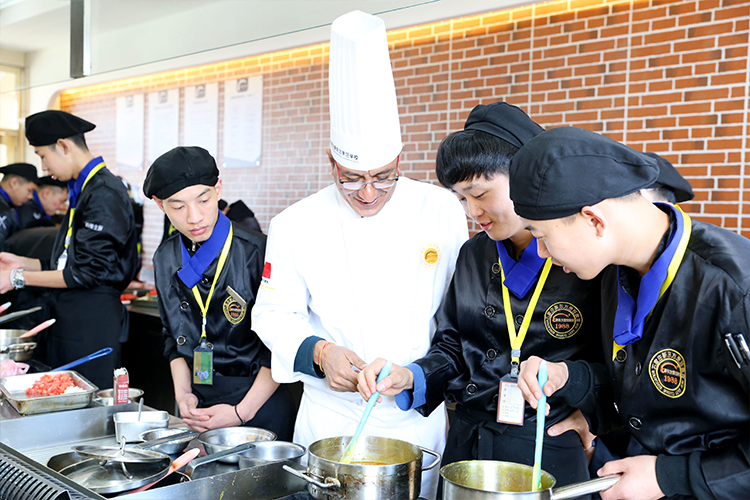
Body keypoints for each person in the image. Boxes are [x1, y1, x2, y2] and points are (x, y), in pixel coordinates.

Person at [251, 10, 468, 499]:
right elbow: (272, 314)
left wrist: (416, 375)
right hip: (330, 418)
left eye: (383, 177)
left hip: (415, 420)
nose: (368, 193)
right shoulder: (295, 223)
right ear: (331, 162)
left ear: (400, 160)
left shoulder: (441, 210)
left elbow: (458, 317)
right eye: (351, 179)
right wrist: (321, 353)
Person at [357, 102, 602, 493]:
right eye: (461, 199)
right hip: (468, 445)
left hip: (546, 444)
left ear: (524, 175)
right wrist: (409, 376)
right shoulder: (474, 254)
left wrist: (593, 413)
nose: (473, 211)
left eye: (480, 194)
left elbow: (618, 363)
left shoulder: (584, 258)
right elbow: (453, 345)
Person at [509, 126, 750, 500]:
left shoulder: (734, 287)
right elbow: (650, 391)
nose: (541, 253)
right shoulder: (615, 272)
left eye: (541, 235)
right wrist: (568, 377)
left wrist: (669, 477)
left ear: (594, 221)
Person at [143, 146, 294, 439]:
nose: (194, 217)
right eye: (178, 207)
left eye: (203, 200)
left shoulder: (259, 251)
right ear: (161, 205)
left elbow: (280, 344)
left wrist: (241, 412)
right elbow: (171, 337)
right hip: (199, 407)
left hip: (259, 404)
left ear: (218, 190)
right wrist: (183, 395)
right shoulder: (164, 257)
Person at [0, 110, 139, 389]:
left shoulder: (103, 193)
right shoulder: (83, 188)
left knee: (84, 404)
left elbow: (86, 273)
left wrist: (18, 278)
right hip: (69, 319)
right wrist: (23, 262)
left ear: (63, 146)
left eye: (42, 156)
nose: (43, 167)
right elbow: (69, 263)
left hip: (90, 324)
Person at [0, 163, 38, 249]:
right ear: (14, 183)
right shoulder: (3, 210)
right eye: (29, 190)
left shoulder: (10, 205)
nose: (30, 196)